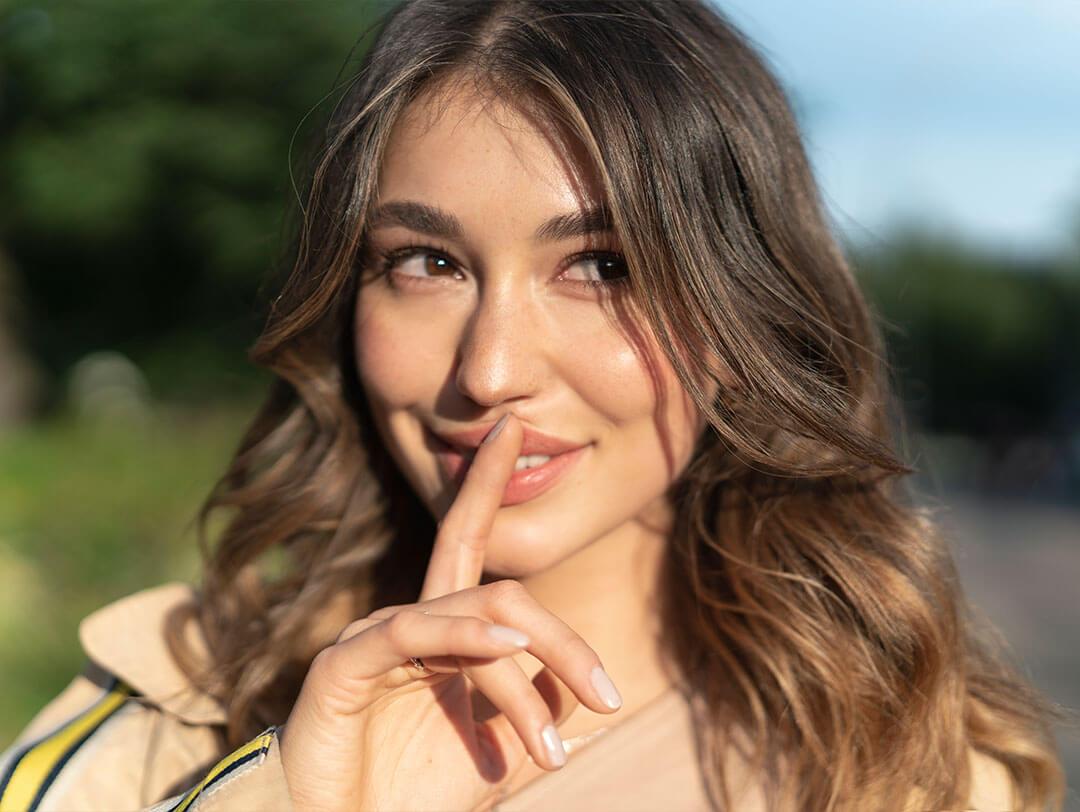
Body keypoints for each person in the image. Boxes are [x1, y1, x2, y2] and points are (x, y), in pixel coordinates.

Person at [0, 0, 1066, 809]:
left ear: (743, 311)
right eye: (423, 260)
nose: (493, 368)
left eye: (601, 264)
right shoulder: (175, 696)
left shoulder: (906, 768)